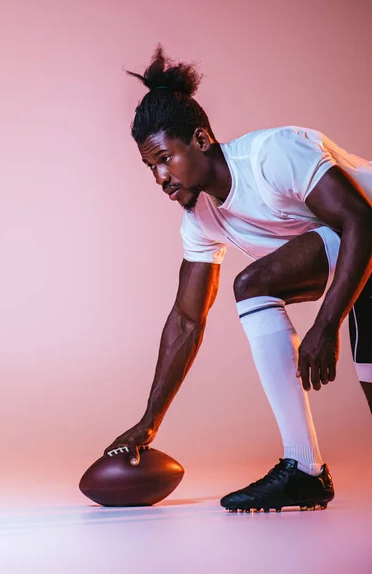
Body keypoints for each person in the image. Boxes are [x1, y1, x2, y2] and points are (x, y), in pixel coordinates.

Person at [104, 45, 372, 513]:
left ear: (202, 140)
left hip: (367, 230)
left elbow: (360, 223)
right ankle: (306, 475)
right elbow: (188, 320)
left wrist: (326, 324)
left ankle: (303, 468)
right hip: (362, 259)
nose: (159, 177)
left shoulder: (272, 155)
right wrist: (149, 422)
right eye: (150, 167)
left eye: (165, 158)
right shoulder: (200, 220)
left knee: (252, 283)